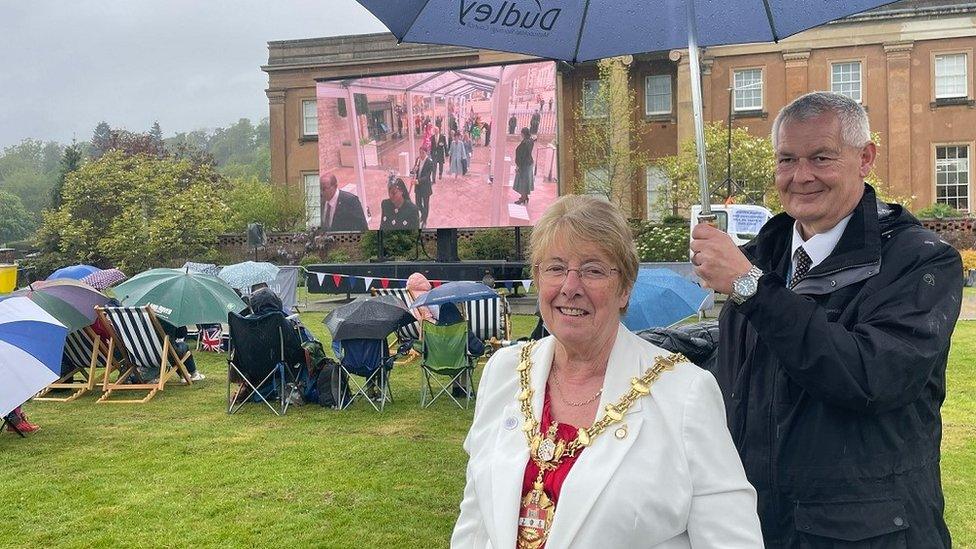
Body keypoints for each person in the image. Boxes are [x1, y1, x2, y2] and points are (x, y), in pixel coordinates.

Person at [690, 91, 962, 548]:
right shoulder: (763, 259)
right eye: (787, 159)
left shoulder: (920, 262)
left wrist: (751, 287)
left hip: (868, 534)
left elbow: (869, 376)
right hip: (757, 527)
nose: (801, 176)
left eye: (821, 157)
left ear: (865, 158)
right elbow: (740, 367)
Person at [452, 195, 762, 548]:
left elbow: (734, 541)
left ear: (625, 289)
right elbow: (474, 524)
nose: (571, 286)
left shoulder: (686, 393)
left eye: (593, 270)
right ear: (538, 279)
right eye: (555, 268)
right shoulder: (504, 372)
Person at [513, 128, 535, 205]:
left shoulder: (525, 143)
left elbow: (522, 155)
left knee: (523, 181)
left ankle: (523, 198)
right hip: (529, 163)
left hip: (524, 164)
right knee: (526, 181)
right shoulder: (531, 141)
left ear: (523, 133)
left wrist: (518, 166)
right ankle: (525, 197)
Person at [414, 147, 435, 229]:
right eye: (420, 152)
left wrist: (418, 181)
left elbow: (427, 176)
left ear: (426, 153)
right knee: (418, 204)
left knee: (426, 205)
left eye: (423, 153)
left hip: (425, 187)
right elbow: (414, 171)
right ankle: (423, 215)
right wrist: (414, 170)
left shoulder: (429, 162)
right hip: (418, 187)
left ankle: (424, 220)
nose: (421, 155)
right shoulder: (417, 160)